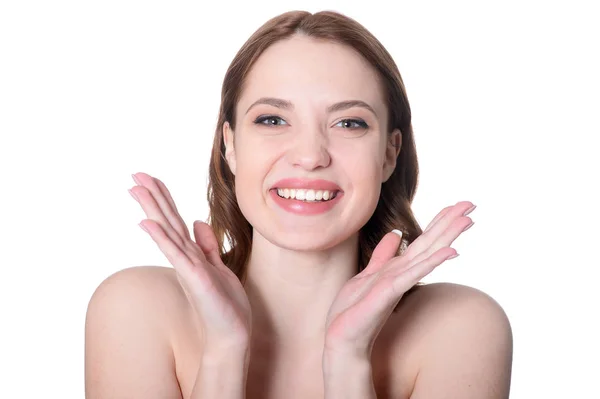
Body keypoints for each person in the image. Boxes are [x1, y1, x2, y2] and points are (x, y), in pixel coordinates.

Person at [84, 10, 513, 399]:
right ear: (230, 146)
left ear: (389, 153)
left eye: (349, 123)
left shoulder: (460, 328)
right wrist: (223, 353)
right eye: (272, 119)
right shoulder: (136, 310)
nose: (310, 156)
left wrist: (348, 361)